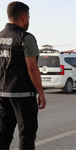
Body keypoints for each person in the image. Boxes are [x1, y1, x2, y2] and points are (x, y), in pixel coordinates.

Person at [0, 1, 46, 149]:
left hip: (2, 94)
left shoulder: (0, 36)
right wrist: (41, 93)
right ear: (24, 17)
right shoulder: (25, 37)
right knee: (27, 134)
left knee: (3, 133)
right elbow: (32, 68)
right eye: (29, 17)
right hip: (23, 95)